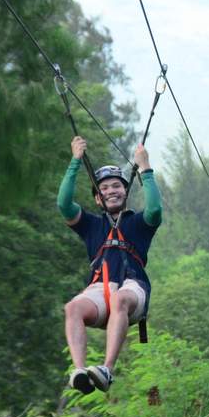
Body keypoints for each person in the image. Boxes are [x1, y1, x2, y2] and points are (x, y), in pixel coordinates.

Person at [59, 136, 162, 394]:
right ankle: (80, 371)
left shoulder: (138, 224)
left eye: (117, 186)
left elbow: (155, 210)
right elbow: (64, 204)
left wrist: (145, 167)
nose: (111, 191)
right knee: (72, 308)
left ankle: (106, 369)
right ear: (97, 199)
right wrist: (75, 161)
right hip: (100, 288)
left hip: (131, 287)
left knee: (119, 300)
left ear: (126, 193)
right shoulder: (92, 225)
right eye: (103, 189)